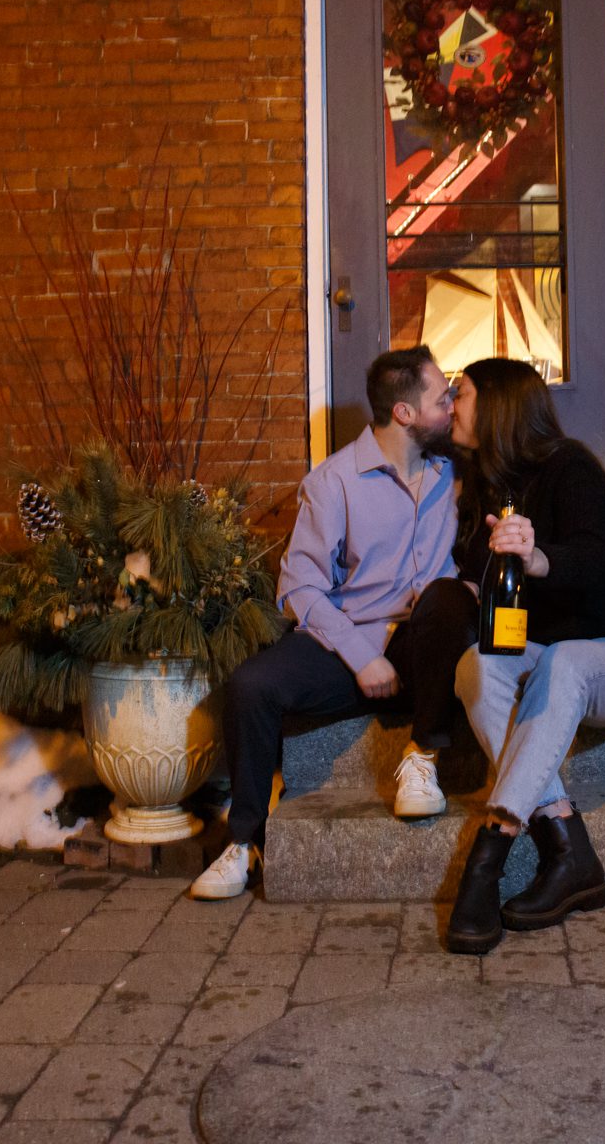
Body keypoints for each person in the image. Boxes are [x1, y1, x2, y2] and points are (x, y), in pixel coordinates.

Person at [189, 346, 477, 899]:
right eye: (443, 399)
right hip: (354, 645)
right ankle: (243, 841)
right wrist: (359, 654)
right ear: (405, 414)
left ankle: (422, 758)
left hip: (427, 647)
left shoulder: (452, 475)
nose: (451, 408)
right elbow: (298, 588)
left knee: (445, 598)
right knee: (252, 687)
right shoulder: (333, 482)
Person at [443, 358, 605, 953]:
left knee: (563, 660)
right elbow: (477, 572)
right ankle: (570, 852)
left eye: (460, 394)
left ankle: (488, 856)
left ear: (496, 406)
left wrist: (540, 558)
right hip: (542, 657)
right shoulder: (487, 485)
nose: (450, 404)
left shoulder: (571, 469)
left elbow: (602, 562)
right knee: (477, 664)